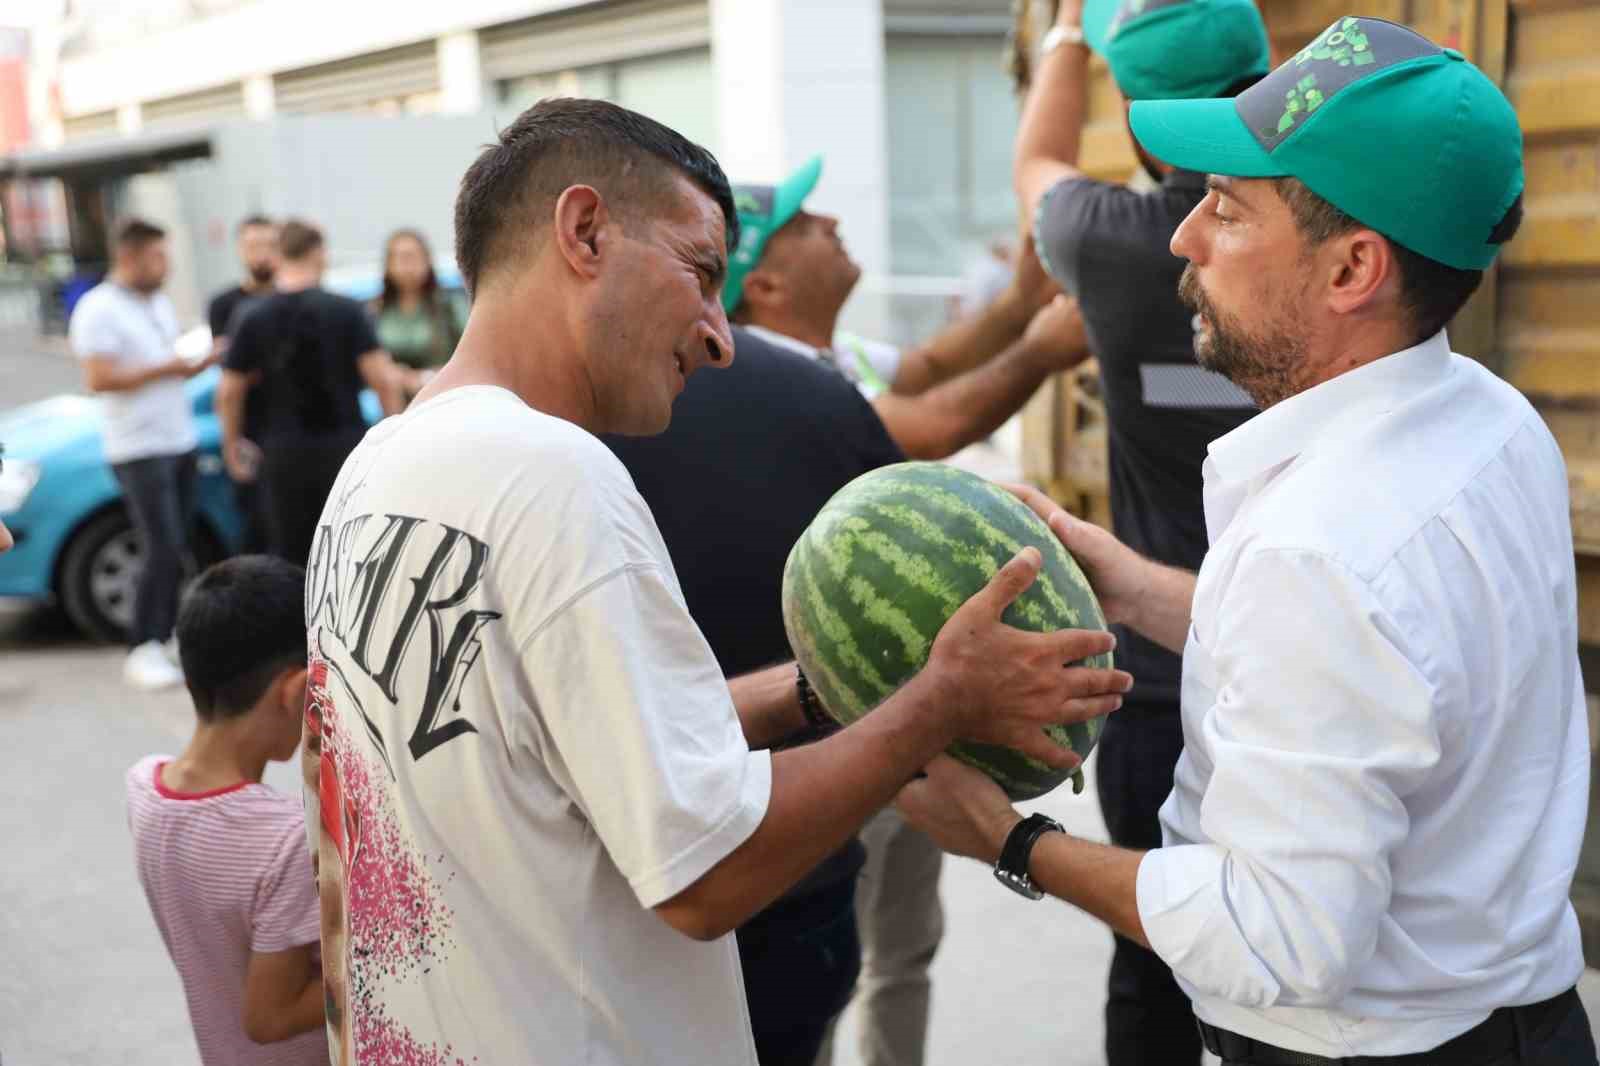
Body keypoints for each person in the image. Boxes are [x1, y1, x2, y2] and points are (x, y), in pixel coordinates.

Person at [298, 97, 1129, 1065]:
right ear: (584, 231)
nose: (720, 335)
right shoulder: (555, 480)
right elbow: (702, 874)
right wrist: (941, 701)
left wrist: (812, 693)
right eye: (700, 273)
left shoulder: (374, 472)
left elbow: (562, 747)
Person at [899, 18, 1598, 1066]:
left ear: (1351, 266)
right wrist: (1132, 586)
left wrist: (1011, 838)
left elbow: (1275, 939)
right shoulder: (1491, 420)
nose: (1181, 236)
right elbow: (1388, 669)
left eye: (1226, 208)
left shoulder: (1319, 550)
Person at [605, 294, 1093, 1065]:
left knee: (876, 957)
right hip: (785, 800)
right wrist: (945, 717)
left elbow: (934, 376)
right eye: (806, 223)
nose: (830, 228)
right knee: (819, 979)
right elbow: (695, 896)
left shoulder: (833, 371)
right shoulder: (596, 439)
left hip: (838, 735)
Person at [1011, 1, 1270, 1060]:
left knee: (1156, 944)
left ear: (1142, 119)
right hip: (1301, 663)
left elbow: (1036, 159)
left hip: (1163, 685)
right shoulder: (1317, 223)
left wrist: (1065, 31)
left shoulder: (1112, 243)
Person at [725, 157, 1064, 461]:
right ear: (765, 288)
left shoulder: (829, 351)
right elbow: (934, 430)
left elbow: (930, 366)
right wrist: (1042, 352)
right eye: (802, 227)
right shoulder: (780, 376)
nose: (830, 220)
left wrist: (1021, 302)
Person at [125, 555, 327, 1066]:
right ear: (297, 690)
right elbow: (270, 1018)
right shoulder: (285, 841)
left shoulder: (144, 785)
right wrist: (390, 959)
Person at [70, 217, 215, 690]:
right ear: (129, 257)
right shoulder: (98, 308)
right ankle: (142, 644)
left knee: (179, 544)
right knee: (160, 545)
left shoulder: (155, 302)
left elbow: (165, 369)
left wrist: (196, 365)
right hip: (138, 447)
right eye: (158, 256)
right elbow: (99, 378)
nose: (166, 266)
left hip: (178, 440)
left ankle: (169, 635)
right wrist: (166, 367)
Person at [215, 219, 403, 566]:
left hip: (282, 453)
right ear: (319, 253)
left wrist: (231, 445)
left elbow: (228, 391)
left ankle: (301, 621)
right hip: (344, 448)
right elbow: (384, 380)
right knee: (350, 550)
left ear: (279, 255)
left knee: (292, 556)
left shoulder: (251, 315)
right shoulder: (346, 310)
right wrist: (392, 438)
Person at [207, 215, 279, 554]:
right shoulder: (224, 305)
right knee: (256, 533)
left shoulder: (293, 298)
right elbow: (232, 374)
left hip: (294, 433)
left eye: (269, 245)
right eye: (253, 246)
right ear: (239, 250)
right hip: (249, 431)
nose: (262, 254)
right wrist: (231, 441)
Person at [369, 227, 466, 396]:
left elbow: (470, 358)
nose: (406, 266)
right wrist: (396, 377)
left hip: (442, 396)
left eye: (412, 257)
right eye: (399, 258)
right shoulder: (376, 310)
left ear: (427, 260)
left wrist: (424, 377)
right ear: (388, 264)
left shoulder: (449, 305)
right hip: (393, 407)